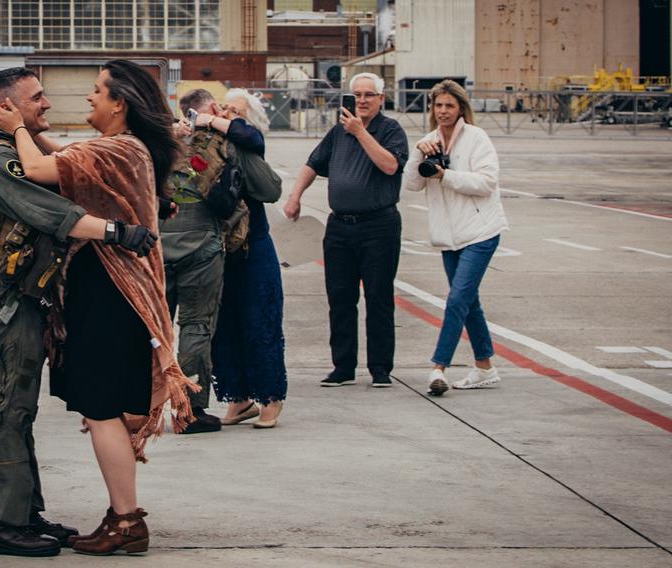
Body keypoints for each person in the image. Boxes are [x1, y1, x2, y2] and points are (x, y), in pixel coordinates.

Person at [0, 59, 197, 556]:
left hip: (108, 290)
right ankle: (121, 516)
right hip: (116, 292)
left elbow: (39, 170)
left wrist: (15, 126)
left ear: (119, 103)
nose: (87, 98)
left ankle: (126, 520)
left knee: (101, 411)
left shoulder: (120, 148)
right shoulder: (123, 149)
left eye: (97, 91)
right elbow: (64, 154)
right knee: (109, 409)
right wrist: (28, 132)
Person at [0, 67, 156, 558]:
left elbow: (66, 166)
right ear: (6, 108)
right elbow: (46, 209)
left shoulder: (21, 150)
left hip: (27, 299)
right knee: (12, 406)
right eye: (36, 98)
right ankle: (1, 523)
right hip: (6, 303)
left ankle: (22, 512)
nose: (47, 104)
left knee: (22, 408)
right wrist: (115, 232)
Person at [283, 72, 409, 389]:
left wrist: (361, 132)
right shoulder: (338, 132)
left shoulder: (390, 130)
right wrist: (295, 195)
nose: (363, 101)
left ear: (381, 99)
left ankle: (380, 367)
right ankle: (343, 366)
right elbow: (313, 163)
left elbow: (390, 165)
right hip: (340, 225)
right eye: (357, 95)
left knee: (379, 298)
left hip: (378, 225)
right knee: (340, 298)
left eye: (369, 95)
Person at [160, 87, 271, 434]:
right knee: (195, 327)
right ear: (208, 109)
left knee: (152, 331)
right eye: (220, 107)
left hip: (158, 247)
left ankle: (136, 405)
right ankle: (189, 410)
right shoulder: (223, 144)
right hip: (200, 249)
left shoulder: (160, 143)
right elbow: (267, 183)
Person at [401, 79, 509, 396]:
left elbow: (486, 182)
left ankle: (439, 368)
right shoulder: (429, 141)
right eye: (438, 105)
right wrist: (418, 155)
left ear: (460, 108)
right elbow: (411, 184)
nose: (443, 111)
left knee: (457, 300)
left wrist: (445, 175)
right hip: (449, 237)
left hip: (481, 231)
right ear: (432, 109)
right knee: (469, 302)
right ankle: (485, 368)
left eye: (449, 105)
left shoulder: (477, 139)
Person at [209, 88, 288, 429]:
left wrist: (217, 119)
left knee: (260, 322)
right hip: (221, 249)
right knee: (224, 325)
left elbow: (249, 136)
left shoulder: (250, 146)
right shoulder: (213, 146)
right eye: (225, 108)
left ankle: (270, 398)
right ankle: (238, 398)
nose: (229, 113)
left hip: (253, 246)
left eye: (237, 111)